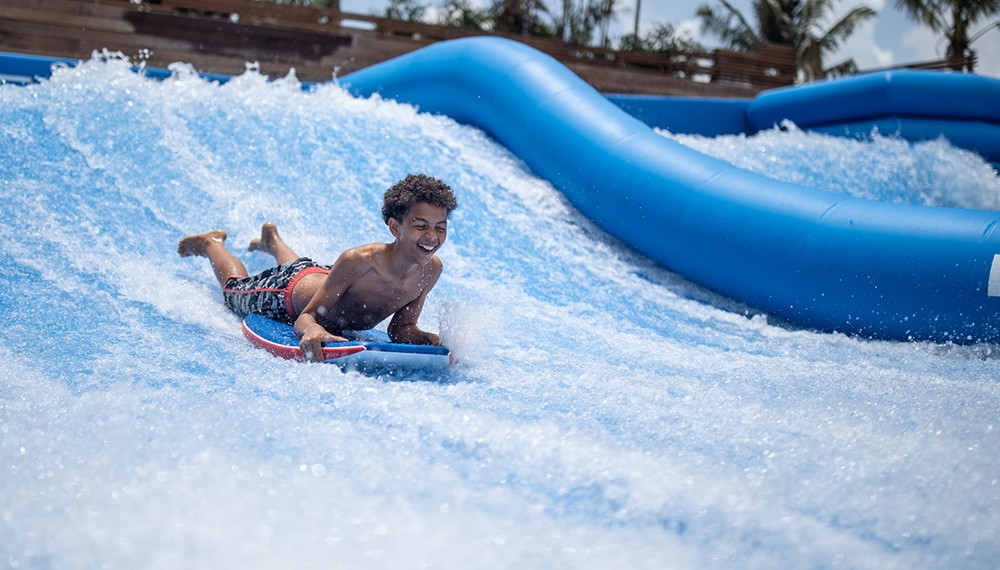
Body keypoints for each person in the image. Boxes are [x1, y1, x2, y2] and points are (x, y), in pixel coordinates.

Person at [178, 174, 458, 362]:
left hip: (320, 279)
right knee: (233, 291)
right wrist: (312, 331)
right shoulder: (359, 261)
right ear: (395, 226)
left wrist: (435, 340)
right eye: (420, 226)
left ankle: (272, 241)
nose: (432, 237)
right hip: (285, 293)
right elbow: (306, 317)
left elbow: (401, 329)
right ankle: (211, 243)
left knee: (302, 267)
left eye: (440, 228)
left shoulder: (430, 270)